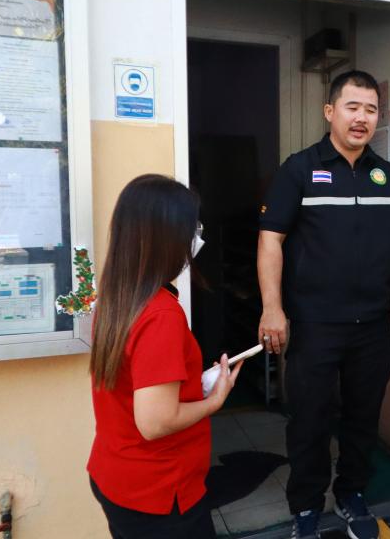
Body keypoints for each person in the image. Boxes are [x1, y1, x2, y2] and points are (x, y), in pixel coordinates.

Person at [257, 70, 390, 539]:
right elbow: (270, 240)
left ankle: (352, 494)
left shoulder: (386, 176)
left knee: (362, 417)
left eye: (370, 109)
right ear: (330, 111)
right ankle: (306, 507)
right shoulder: (299, 169)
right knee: (308, 420)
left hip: (371, 324)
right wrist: (272, 308)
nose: (362, 118)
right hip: (314, 324)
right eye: (352, 107)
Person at [87, 174, 243, 539]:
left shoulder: (116, 296)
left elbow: (137, 385)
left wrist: (192, 386)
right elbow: (155, 421)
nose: (196, 237)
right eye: (192, 228)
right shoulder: (160, 315)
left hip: (117, 475)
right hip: (158, 493)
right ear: (166, 237)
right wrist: (214, 401)